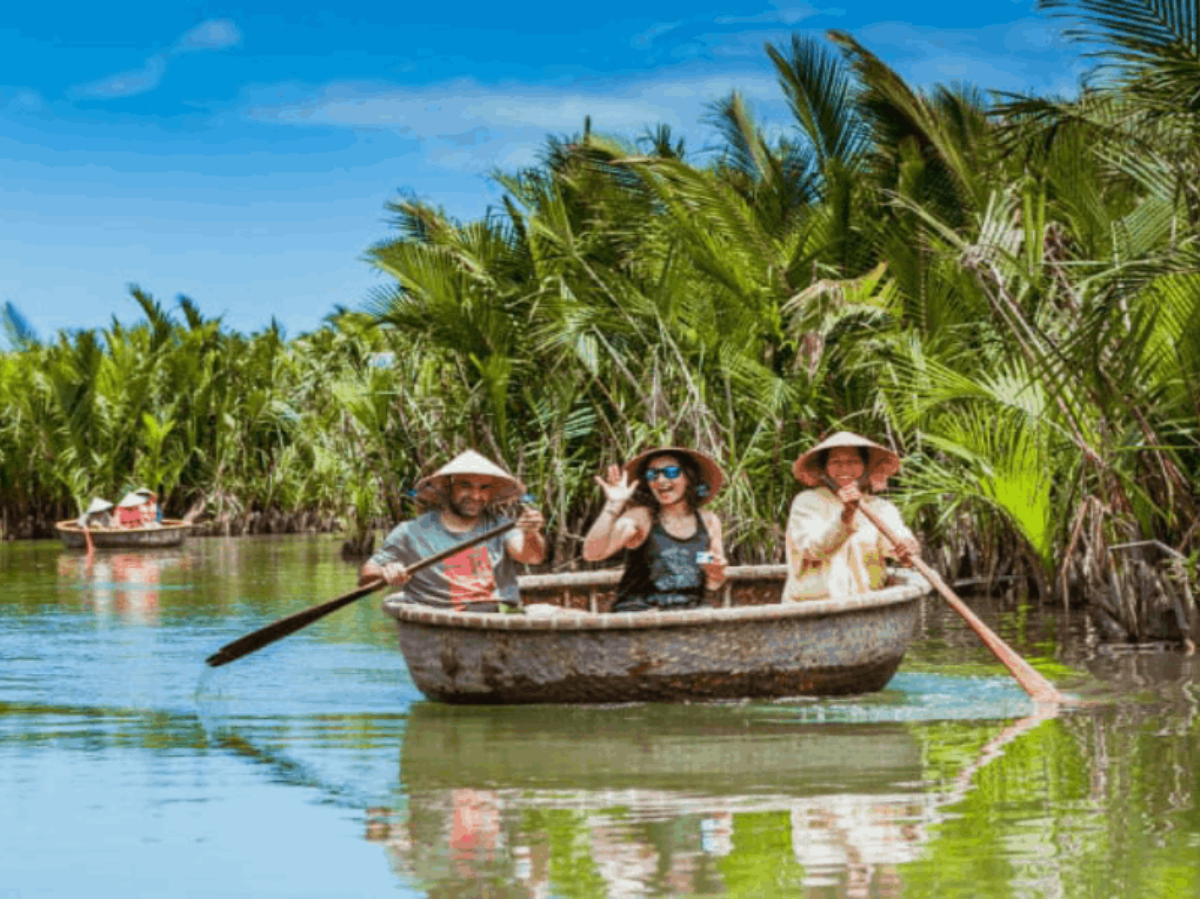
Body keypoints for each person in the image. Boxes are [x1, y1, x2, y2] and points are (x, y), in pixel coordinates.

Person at [359, 450, 545, 612]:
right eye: (466, 486)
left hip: (497, 616)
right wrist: (385, 572)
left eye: (483, 488)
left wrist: (531, 533)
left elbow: (532, 557)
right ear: (448, 487)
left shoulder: (501, 526)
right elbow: (367, 574)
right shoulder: (410, 532)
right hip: (438, 618)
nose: (476, 496)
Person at [583, 446, 727, 612]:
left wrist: (716, 572)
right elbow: (592, 553)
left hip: (689, 613)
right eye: (653, 474)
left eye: (671, 472)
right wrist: (613, 504)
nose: (660, 480)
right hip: (641, 615)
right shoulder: (641, 518)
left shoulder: (709, 521)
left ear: (689, 477)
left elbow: (712, 577)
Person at [784, 431, 919, 603]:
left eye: (853, 462)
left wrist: (906, 549)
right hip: (813, 604)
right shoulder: (807, 502)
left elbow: (897, 539)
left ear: (865, 466)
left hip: (867, 603)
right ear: (824, 468)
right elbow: (814, 550)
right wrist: (846, 515)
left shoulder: (881, 507)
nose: (845, 469)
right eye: (836, 462)